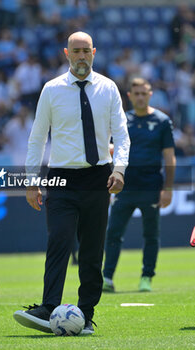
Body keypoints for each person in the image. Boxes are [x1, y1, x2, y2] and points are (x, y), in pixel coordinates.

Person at [13, 31, 130, 335]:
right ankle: (49, 307)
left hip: (98, 177)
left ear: (94, 52)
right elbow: (37, 138)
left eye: (86, 51)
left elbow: (122, 133)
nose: (81, 56)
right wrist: (31, 181)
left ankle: (86, 315)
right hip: (61, 177)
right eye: (75, 51)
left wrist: (119, 169)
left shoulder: (109, 88)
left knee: (92, 250)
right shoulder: (51, 90)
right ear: (66, 53)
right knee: (60, 240)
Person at [102, 77, 176, 293]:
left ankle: (146, 277)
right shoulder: (122, 121)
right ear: (130, 96)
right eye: (137, 94)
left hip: (151, 186)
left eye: (145, 93)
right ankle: (107, 277)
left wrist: (168, 188)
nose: (141, 97)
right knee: (113, 232)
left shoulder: (162, 121)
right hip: (124, 187)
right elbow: (109, 152)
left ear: (150, 94)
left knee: (151, 234)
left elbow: (170, 157)